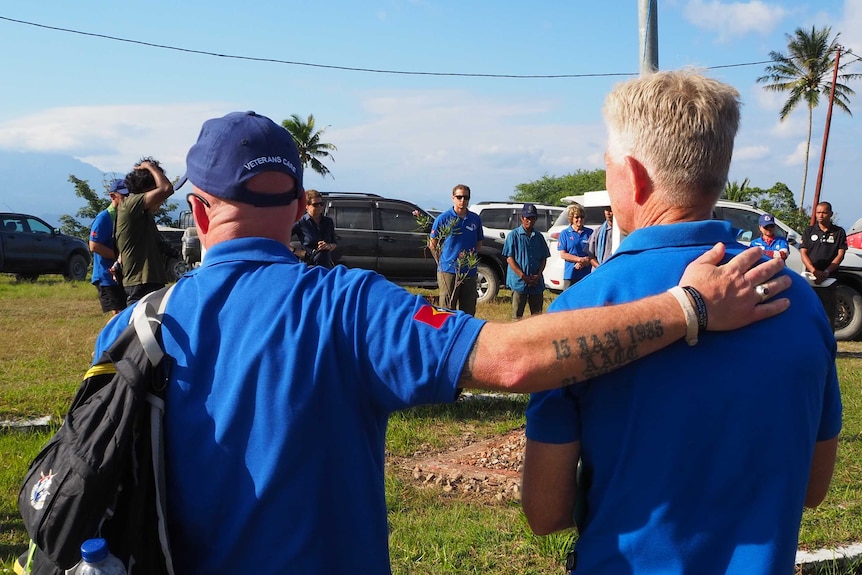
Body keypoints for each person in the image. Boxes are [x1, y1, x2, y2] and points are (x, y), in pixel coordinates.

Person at [91, 110, 790, 574]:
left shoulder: (133, 328)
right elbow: (513, 358)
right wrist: (689, 306)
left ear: (197, 208)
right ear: (302, 205)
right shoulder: (347, 303)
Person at [521, 70, 841, 575]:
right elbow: (813, 490)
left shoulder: (579, 311)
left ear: (631, 174)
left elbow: (545, 512)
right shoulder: (799, 302)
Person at [115, 158, 175, 303]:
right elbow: (166, 189)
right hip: (140, 283)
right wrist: (150, 167)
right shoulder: (131, 204)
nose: (160, 201)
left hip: (150, 281)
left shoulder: (144, 213)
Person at [429, 184, 483, 314]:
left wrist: (471, 260)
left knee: (468, 309)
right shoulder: (443, 218)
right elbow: (432, 244)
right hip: (448, 270)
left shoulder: (475, 219)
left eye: (466, 197)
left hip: (468, 270)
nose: (462, 200)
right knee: (447, 309)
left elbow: (479, 243)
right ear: (453, 198)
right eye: (459, 197)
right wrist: (442, 263)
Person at [801, 201, 847, 329]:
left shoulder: (839, 232)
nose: (820, 215)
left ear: (831, 214)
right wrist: (813, 270)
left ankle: (827, 345)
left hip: (829, 278)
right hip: (810, 277)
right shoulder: (809, 231)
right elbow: (803, 253)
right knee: (808, 310)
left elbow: (840, 255)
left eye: (824, 212)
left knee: (828, 313)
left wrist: (826, 272)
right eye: (818, 212)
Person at [503, 203, 551, 320]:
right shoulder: (513, 236)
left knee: (537, 317)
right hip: (519, 282)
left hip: (536, 282)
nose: (530, 221)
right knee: (517, 317)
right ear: (522, 218)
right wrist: (522, 276)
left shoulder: (538, 236)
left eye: (532, 218)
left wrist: (538, 275)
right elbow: (509, 258)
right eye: (527, 218)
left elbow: (544, 258)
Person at [88, 179, 128, 315]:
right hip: (106, 276)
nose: (126, 199)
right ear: (112, 196)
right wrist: (118, 257)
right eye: (123, 196)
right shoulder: (104, 218)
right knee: (119, 314)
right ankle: (108, 337)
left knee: (126, 312)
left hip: (121, 276)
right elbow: (94, 245)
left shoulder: (125, 216)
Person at [291, 189, 337, 268]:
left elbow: (334, 243)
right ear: (306, 206)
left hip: (325, 265)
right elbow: (281, 240)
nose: (319, 207)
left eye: (321, 204)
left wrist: (328, 246)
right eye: (315, 204)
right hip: (309, 265)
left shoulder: (328, 222)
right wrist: (296, 251)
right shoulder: (301, 222)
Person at [558, 203, 593, 290]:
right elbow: (563, 254)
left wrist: (584, 262)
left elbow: (594, 252)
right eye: (577, 217)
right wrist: (579, 260)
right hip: (571, 273)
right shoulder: (565, 233)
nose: (579, 219)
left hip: (586, 273)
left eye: (582, 217)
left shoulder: (590, 232)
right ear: (571, 219)